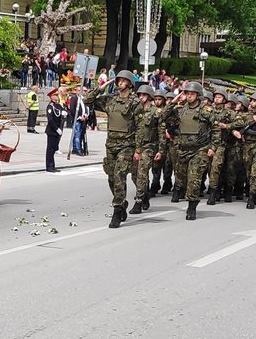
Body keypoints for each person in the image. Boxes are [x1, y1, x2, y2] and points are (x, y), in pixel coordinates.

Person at [84, 70, 139, 228]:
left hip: (127, 146)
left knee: (120, 175)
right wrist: (102, 87)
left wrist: (139, 149)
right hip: (111, 145)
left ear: (129, 83)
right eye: (118, 80)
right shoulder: (110, 100)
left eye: (123, 80)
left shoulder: (135, 103)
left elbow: (141, 127)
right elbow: (87, 100)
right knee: (111, 178)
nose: (120, 83)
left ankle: (116, 210)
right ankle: (122, 203)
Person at [162, 82, 220, 220]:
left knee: (194, 178)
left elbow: (216, 130)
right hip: (182, 150)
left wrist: (213, 147)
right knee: (181, 178)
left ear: (198, 95)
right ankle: (184, 193)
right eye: (187, 93)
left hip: (199, 150)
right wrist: (174, 101)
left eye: (192, 94)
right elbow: (163, 116)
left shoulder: (207, 111)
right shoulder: (180, 110)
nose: (189, 96)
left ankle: (192, 206)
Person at [130, 85, 166, 214]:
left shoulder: (156, 112)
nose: (141, 97)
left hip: (149, 146)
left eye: (143, 95)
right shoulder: (135, 111)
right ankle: (144, 194)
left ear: (149, 97)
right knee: (134, 174)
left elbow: (161, 133)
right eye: (139, 95)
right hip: (136, 146)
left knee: (142, 173)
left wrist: (161, 151)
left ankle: (139, 201)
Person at [45, 88, 66, 173]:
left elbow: (63, 112)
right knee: (50, 149)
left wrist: (65, 114)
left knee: (54, 149)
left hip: (58, 130)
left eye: (57, 95)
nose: (57, 96)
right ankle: (49, 166)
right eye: (55, 95)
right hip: (52, 130)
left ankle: (52, 166)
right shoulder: (50, 106)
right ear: (51, 97)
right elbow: (50, 120)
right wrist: (56, 129)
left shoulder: (58, 105)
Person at [70, 86, 88, 156]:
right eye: (84, 91)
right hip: (77, 119)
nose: (85, 92)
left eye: (86, 91)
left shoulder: (83, 99)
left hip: (83, 119)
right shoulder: (74, 98)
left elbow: (85, 108)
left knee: (79, 134)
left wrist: (86, 114)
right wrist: (78, 117)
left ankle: (75, 148)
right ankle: (77, 149)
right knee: (77, 134)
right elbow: (72, 109)